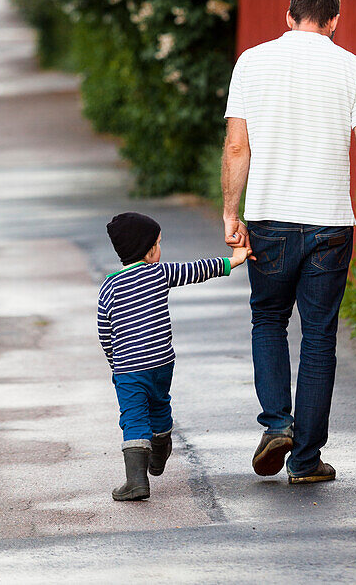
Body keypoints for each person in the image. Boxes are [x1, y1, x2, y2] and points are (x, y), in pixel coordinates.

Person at [222, 0, 356, 484]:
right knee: (320, 337)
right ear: (334, 22)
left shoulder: (252, 63)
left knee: (269, 321)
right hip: (330, 223)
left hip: (269, 220)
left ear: (288, 16)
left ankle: (277, 422)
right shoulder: (355, 70)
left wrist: (230, 212)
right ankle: (305, 461)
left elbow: (237, 147)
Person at [97, 210, 250, 501]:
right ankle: (161, 444)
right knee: (159, 404)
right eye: (158, 243)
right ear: (149, 249)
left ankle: (136, 481)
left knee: (133, 417)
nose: (160, 248)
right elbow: (198, 269)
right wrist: (235, 260)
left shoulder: (110, 286)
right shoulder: (160, 273)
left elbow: (105, 330)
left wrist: (113, 362)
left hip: (129, 368)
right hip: (162, 362)